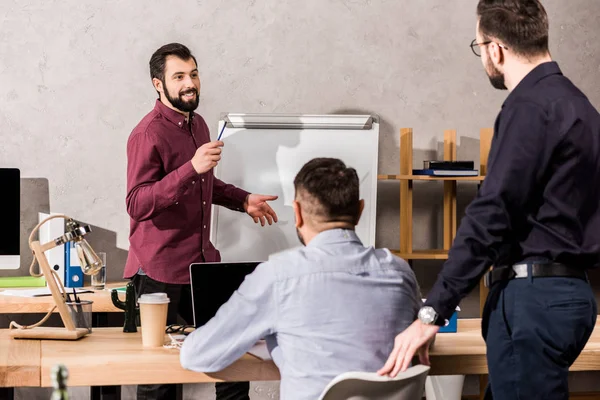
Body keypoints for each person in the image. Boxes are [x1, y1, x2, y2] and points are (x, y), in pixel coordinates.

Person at [378, 1, 600, 398]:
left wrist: (432, 312)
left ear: (495, 48)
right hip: (571, 295)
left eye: (479, 46)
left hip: (532, 300)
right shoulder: (580, 106)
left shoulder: (530, 107)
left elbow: (493, 212)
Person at [180, 157, 422, 400]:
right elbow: (419, 343)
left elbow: (197, 356)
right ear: (360, 210)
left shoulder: (277, 276)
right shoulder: (399, 272)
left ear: (297, 212)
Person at [125, 42, 278, 400]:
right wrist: (190, 167)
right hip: (159, 273)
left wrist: (244, 200)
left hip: (204, 265)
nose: (189, 83)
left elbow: (204, 184)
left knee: (233, 364)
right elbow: (137, 202)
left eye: (193, 74)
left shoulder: (200, 124)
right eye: (178, 76)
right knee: (160, 381)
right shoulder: (147, 133)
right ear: (157, 84)